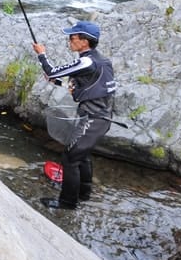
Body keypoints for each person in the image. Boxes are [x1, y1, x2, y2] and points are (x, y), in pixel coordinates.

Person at [32, 20, 117, 210]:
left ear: (85, 41)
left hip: (93, 119)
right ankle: (84, 194)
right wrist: (57, 83)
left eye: (73, 37)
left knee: (70, 158)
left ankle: (67, 202)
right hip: (99, 119)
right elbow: (84, 87)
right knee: (82, 155)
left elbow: (51, 71)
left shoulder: (86, 61)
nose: (69, 40)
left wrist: (41, 54)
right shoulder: (102, 61)